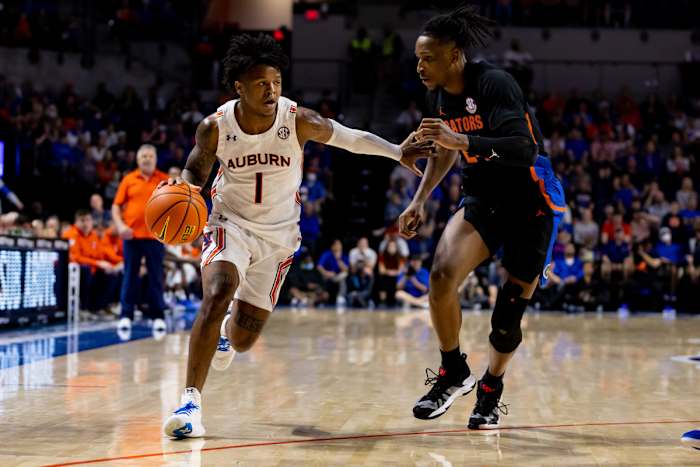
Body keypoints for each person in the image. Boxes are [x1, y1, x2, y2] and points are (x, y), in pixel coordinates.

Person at [162, 33, 432, 439]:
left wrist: (397, 151)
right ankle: (190, 404)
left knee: (242, 339)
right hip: (228, 222)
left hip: (279, 237)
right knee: (218, 292)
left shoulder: (298, 120)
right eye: (260, 83)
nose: (270, 90)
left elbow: (351, 138)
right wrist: (181, 191)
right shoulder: (214, 128)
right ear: (239, 87)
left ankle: (224, 337)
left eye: (276, 81)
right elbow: (195, 173)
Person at [398, 5, 565, 429]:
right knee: (441, 276)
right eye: (418, 58)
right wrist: (419, 200)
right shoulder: (436, 93)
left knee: (505, 319)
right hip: (484, 197)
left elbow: (523, 148)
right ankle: (453, 371)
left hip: (532, 202)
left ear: (455, 55)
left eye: (428, 58)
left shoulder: (494, 83)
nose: (420, 66)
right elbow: (443, 148)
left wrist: (462, 138)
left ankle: (491, 388)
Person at [111, 144, 169, 333]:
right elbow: (115, 206)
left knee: (155, 277)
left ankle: (158, 316)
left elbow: (174, 208)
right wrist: (120, 226)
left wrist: (168, 230)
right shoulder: (128, 179)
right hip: (132, 236)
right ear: (137, 159)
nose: (146, 158)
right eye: (143, 155)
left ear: (155, 158)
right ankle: (126, 315)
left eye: (150, 155)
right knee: (130, 276)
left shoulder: (164, 180)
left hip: (155, 237)